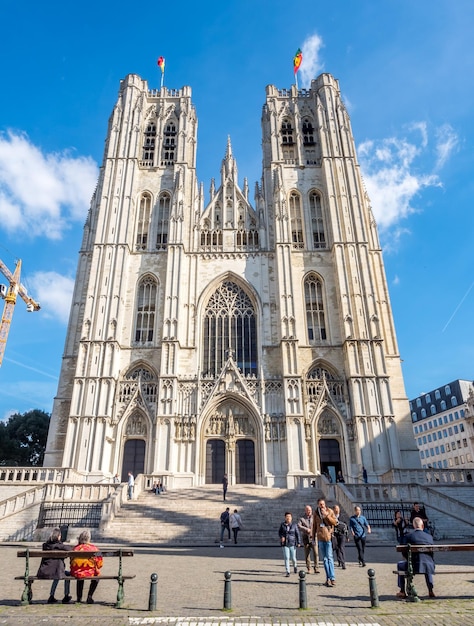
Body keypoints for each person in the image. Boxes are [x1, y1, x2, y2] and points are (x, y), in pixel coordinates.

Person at [396, 516, 435, 598]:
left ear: (414, 526)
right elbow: (432, 553)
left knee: (400, 565)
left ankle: (402, 591)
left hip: (413, 565)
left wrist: (407, 559)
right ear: (423, 526)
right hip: (429, 564)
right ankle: (430, 590)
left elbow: (403, 551)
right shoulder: (429, 537)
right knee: (426, 563)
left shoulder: (409, 536)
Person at [36, 528, 72, 604]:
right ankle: (66, 595)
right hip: (57, 572)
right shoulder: (61, 546)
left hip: (45, 571)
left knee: (57, 573)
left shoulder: (45, 545)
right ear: (58, 536)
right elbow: (70, 549)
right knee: (66, 574)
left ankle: (51, 595)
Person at [70, 530, 103, 604]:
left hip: (76, 572)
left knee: (80, 574)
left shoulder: (75, 548)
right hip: (89, 572)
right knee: (97, 576)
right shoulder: (94, 548)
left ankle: (79, 597)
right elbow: (100, 564)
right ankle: (89, 596)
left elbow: (71, 561)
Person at [312, 497, 337, 587]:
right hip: (320, 537)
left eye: (323, 504)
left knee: (330, 558)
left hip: (328, 537)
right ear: (318, 505)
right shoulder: (315, 513)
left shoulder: (330, 511)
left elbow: (335, 522)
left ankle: (332, 577)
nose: (322, 506)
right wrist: (313, 537)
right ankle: (328, 578)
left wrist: (326, 515)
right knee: (325, 559)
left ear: (325, 504)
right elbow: (314, 525)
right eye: (320, 504)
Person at [297, 504, 320, 574]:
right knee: (307, 554)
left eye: (310, 510)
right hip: (306, 538)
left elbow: (318, 525)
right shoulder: (302, 518)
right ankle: (309, 568)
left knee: (316, 553)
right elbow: (299, 526)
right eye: (307, 510)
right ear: (305, 511)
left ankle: (316, 567)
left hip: (313, 538)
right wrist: (306, 529)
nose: (309, 511)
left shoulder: (314, 517)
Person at [278, 511, 301, 577]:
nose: (288, 518)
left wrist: (299, 542)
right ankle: (287, 571)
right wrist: (281, 537)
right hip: (285, 543)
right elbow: (280, 532)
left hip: (292, 543)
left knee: (293, 558)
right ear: (285, 518)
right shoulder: (282, 525)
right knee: (286, 557)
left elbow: (297, 534)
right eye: (287, 517)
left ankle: (295, 566)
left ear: (291, 518)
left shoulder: (294, 525)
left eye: (289, 517)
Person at [332, 504, 348, 569]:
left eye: (338, 509)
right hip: (335, 535)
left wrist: (347, 536)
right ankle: (339, 560)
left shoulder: (342, 517)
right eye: (336, 509)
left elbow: (346, 526)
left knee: (341, 548)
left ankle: (343, 562)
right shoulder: (332, 517)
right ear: (333, 510)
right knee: (337, 548)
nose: (337, 510)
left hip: (342, 534)